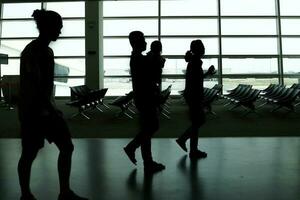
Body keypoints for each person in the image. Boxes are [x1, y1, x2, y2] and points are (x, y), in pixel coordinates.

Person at [17, 9, 88, 200]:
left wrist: (50, 107)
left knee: (37, 152)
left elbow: (40, 86)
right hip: (36, 112)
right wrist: (51, 109)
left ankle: (32, 194)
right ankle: (53, 193)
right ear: (48, 28)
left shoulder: (42, 50)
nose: (60, 31)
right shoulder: (36, 51)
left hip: (39, 110)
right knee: (33, 153)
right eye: (58, 27)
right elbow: (37, 86)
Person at [123, 31, 165, 173]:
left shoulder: (137, 58)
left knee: (147, 128)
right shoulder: (139, 59)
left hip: (143, 97)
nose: (146, 43)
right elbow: (152, 76)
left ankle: (148, 161)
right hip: (146, 98)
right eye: (144, 40)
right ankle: (133, 148)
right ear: (138, 42)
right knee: (152, 127)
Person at [175, 39, 215, 159]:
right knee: (199, 121)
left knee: (196, 122)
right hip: (195, 96)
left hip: (192, 95)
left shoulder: (193, 62)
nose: (204, 49)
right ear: (198, 49)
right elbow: (196, 81)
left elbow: (197, 78)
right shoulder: (195, 62)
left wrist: (207, 73)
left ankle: (193, 149)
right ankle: (184, 140)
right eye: (202, 47)